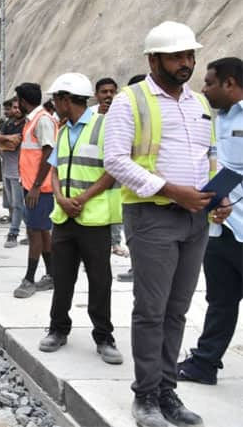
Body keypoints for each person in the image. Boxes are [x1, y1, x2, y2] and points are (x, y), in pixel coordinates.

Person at [104, 21, 230, 427]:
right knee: (151, 311)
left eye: (190, 56)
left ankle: (166, 391)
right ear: (153, 58)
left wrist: (219, 193)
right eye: (177, 56)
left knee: (177, 310)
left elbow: (209, 155)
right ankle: (145, 397)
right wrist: (173, 191)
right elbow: (116, 161)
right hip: (153, 217)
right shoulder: (131, 100)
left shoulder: (199, 104)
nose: (186, 63)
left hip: (195, 220)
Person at [38, 73, 124, 365]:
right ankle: (57, 329)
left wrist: (83, 199)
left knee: (100, 280)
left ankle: (104, 336)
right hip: (64, 218)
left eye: (55, 99)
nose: (54, 104)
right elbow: (56, 169)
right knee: (62, 278)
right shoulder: (63, 130)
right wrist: (61, 198)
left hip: (95, 220)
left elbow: (112, 170)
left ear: (65, 99)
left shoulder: (104, 126)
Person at [177, 57, 243, 386]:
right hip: (219, 228)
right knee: (220, 301)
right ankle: (204, 364)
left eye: (210, 83)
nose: (204, 89)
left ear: (229, 83)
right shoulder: (213, 118)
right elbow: (216, 167)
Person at [14, 82, 58, 298]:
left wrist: (37, 187)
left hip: (40, 188)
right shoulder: (32, 121)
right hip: (32, 185)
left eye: (17, 101)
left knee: (34, 231)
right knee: (41, 230)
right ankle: (52, 275)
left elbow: (49, 154)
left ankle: (29, 279)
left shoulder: (42, 121)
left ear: (23, 101)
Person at [116, 73, 147, 284]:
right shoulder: (129, 116)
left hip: (147, 193)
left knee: (140, 237)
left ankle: (140, 271)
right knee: (134, 237)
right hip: (134, 192)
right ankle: (136, 268)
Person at [95, 77, 128, 259]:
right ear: (96, 95)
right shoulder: (91, 115)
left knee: (117, 207)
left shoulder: (123, 112)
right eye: (104, 92)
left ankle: (115, 242)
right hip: (96, 170)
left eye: (111, 92)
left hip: (118, 169)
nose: (108, 95)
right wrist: (100, 116)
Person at [0, 98, 26, 247]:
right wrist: (6, 139)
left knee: (18, 204)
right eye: (14, 107)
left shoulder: (25, 124)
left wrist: (4, 144)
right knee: (15, 204)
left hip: (18, 170)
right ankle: (32, 232)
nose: (16, 110)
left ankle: (13, 233)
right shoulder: (8, 123)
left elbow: (14, 145)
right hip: (7, 168)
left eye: (19, 107)